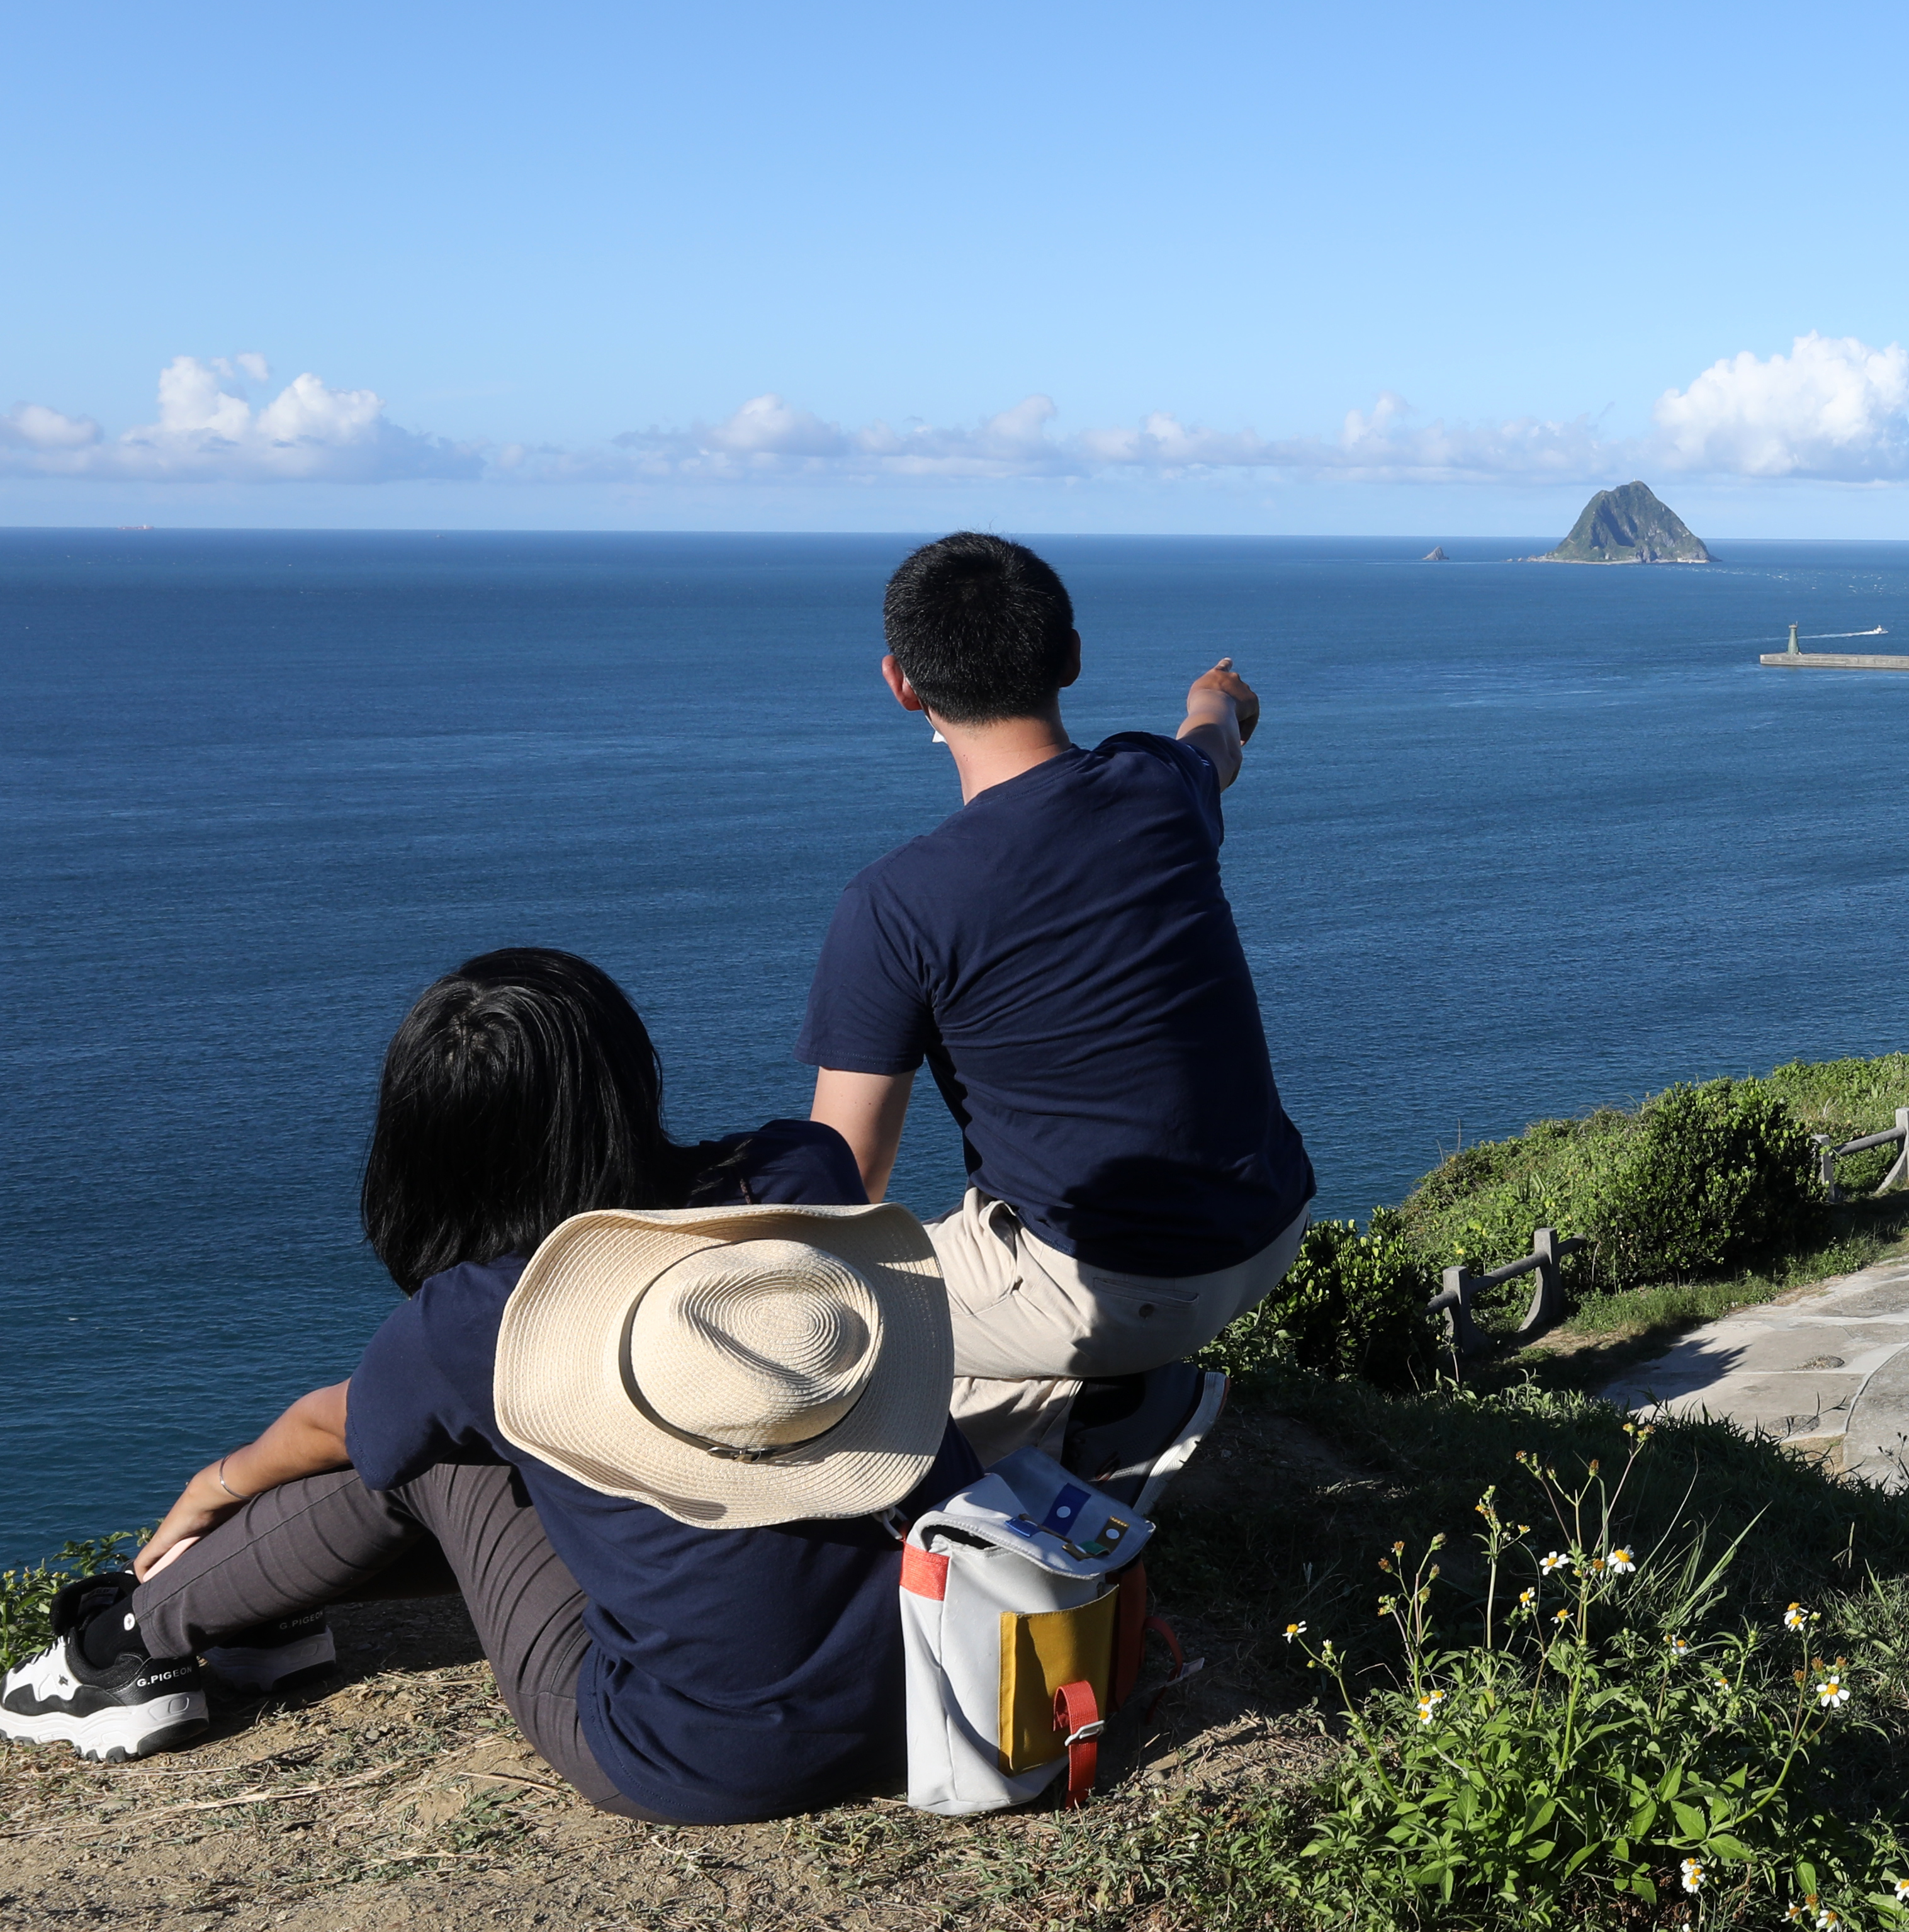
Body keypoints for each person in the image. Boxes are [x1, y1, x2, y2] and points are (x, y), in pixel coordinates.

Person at [3, 952, 970, 1812]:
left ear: (433, 1138)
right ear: (629, 1076)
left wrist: (214, 1484)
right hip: (941, 1671)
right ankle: (262, 1621)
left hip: (704, 1753)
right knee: (462, 1422)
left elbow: (336, 1432)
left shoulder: (482, 1315)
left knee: (425, 1452)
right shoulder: (800, 1169)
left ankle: (119, 1650)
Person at [797, 534, 1314, 1474]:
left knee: (814, 1317)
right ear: (1071, 657)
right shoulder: (1158, 786)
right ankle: (1089, 1395)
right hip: (1267, 1231)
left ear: (901, 684)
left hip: (1114, 1289)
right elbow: (1216, 743)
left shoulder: (895, 902)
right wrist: (1217, 698)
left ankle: (1087, 1431)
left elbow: (846, 1181)